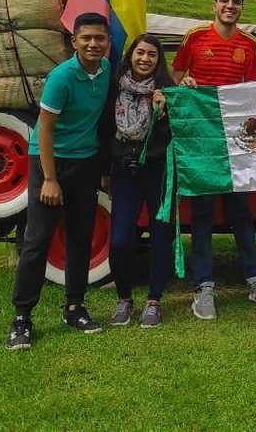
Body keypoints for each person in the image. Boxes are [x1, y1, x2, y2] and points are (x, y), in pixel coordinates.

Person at [171, 0, 256, 319]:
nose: (230, 6)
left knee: (240, 215)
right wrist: (185, 81)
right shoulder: (195, 39)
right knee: (201, 216)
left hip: (234, 143)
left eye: (236, 1)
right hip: (202, 140)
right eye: (225, 1)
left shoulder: (248, 45)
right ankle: (203, 288)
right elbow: (175, 76)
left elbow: (251, 92)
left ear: (241, 7)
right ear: (214, 4)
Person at [6, 12, 112, 350]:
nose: (93, 44)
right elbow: (46, 131)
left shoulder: (106, 70)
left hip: (85, 162)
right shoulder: (61, 78)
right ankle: (22, 317)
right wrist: (50, 179)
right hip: (50, 162)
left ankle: (74, 307)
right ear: (74, 41)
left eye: (100, 38)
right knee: (37, 242)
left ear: (107, 42)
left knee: (80, 238)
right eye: (86, 38)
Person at [99, 34, 173, 329]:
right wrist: (107, 166)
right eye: (140, 53)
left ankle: (154, 300)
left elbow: (179, 131)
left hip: (158, 171)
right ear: (130, 55)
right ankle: (124, 297)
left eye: (152, 55)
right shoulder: (113, 88)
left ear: (158, 60)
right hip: (124, 170)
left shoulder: (167, 90)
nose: (145, 59)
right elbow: (104, 128)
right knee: (119, 239)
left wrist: (167, 111)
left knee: (161, 236)